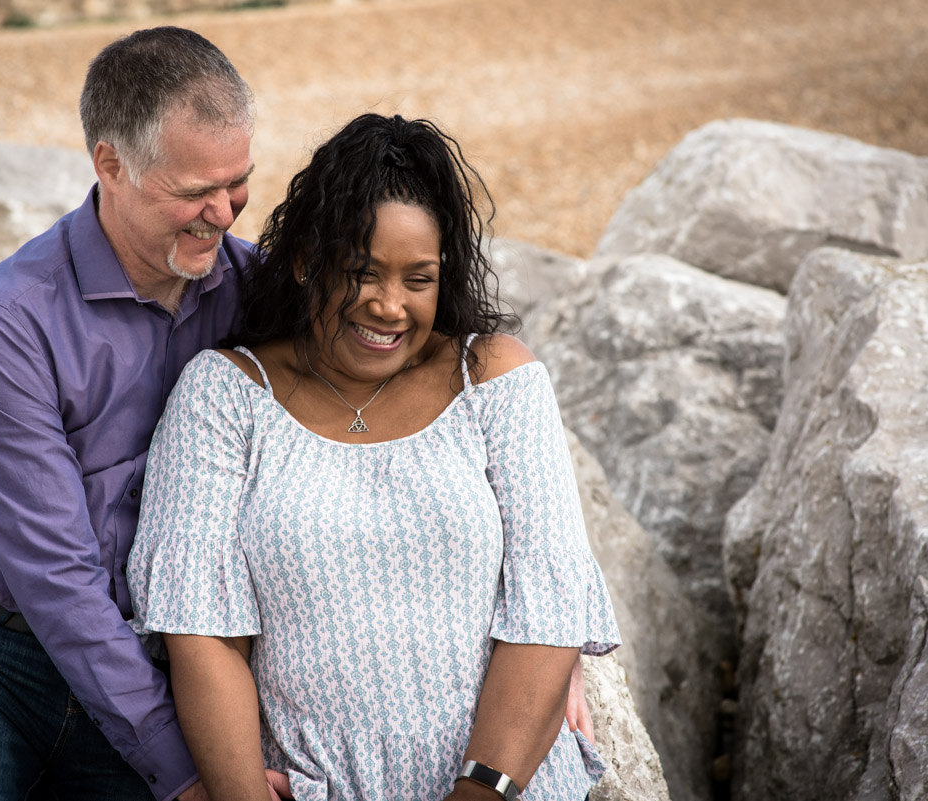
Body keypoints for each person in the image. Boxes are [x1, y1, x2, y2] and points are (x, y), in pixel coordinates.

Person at [127, 113, 621, 801]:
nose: (390, 306)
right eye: (362, 273)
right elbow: (203, 634)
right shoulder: (224, 396)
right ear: (303, 260)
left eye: (418, 278)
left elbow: (548, 609)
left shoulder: (497, 381)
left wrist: (477, 792)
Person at [0, 27, 258, 801]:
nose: (222, 213)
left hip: (165, 661)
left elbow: (412, 341)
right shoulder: (10, 317)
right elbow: (56, 576)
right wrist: (183, 773)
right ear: (110, 164)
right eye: (193, 191)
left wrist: (536, 658)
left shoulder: (255, 286)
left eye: (239, 182)